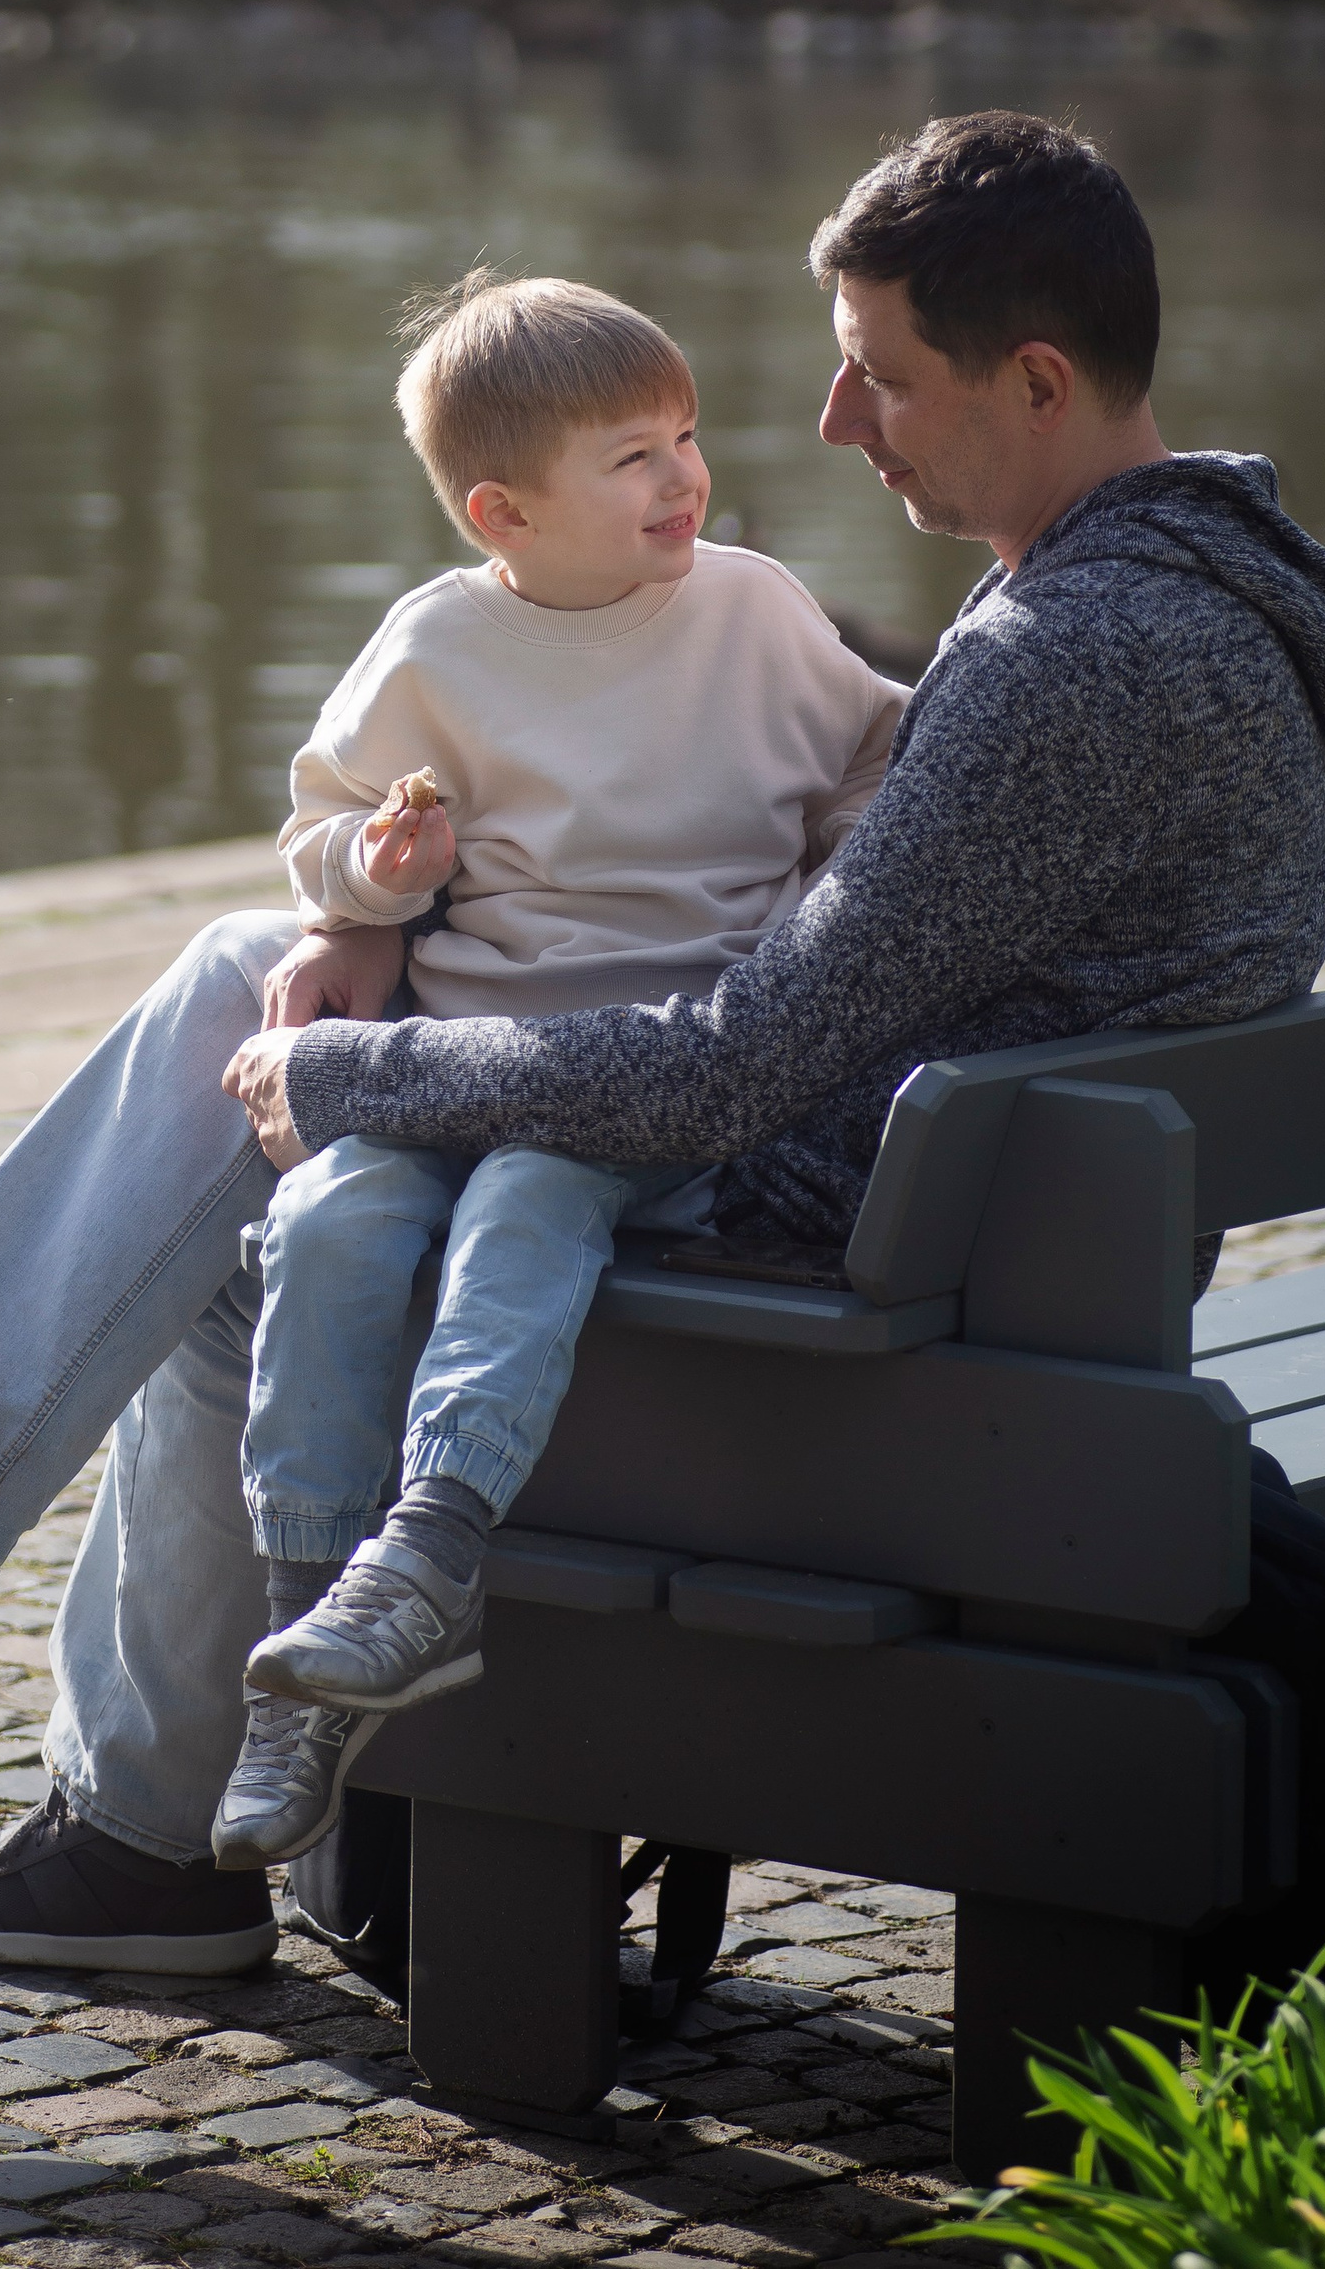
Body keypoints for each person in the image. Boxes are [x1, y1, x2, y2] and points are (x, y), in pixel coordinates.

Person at [0, 110, 1325, 1979]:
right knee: (265, 969)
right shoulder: (1181, 597)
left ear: (1036, 378)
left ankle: (63, 1765)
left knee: (257, 1204)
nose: (828, 427)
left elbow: (730, 1066)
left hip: (873, 1285)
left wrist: (350, 1071)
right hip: (993, 1232)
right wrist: (365, 923)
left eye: (877, 378)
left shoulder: (1068, 659)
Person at [216, 273, 905, 1871]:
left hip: (652, 1086)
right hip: (469, 1057)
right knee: (323, 1224)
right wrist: (384, 868)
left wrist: (831, 903)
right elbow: (320, 831)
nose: (683, 479)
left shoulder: (750, 608)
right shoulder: (439, 644)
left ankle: (435, 1551)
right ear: (500, 511)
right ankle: (304, 1649)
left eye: (684, 437)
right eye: (631, 458)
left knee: (530, 1200)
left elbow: (886, 747)